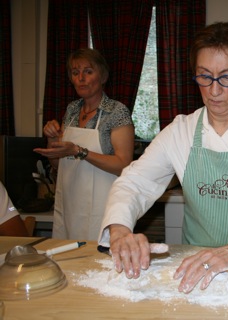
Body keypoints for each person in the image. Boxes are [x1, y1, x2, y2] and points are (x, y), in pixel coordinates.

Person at [99, 21, 228, 293]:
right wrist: (120, 230)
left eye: (227, 77)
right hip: (193, 267)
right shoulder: (179, 132)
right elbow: (133, 183)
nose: (214, 90)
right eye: (204, 76)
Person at [34, 48, 135, 241]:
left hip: (102, 207)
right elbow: (59, 165)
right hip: (70, 207)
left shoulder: (116, 111)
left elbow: (123, 165)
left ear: (103, 76)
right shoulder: (71, 110)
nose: (81, 78)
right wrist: (53, 140)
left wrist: (79, 151)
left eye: (88, 72)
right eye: (75, 72)